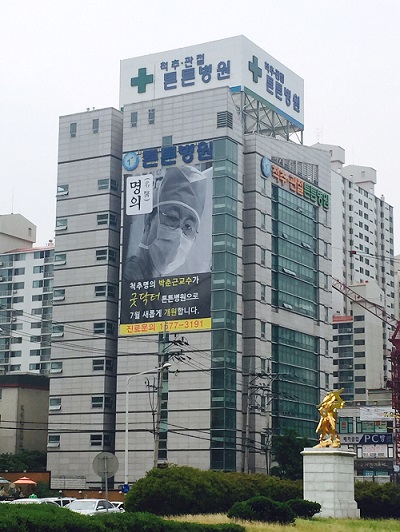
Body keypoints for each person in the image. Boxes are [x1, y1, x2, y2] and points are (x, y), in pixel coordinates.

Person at [124, 165, 207, 280]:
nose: (179, 233)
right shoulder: (129, 279)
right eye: (172, 218)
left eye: (188, 226)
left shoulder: (156, 284)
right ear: (149, 219)